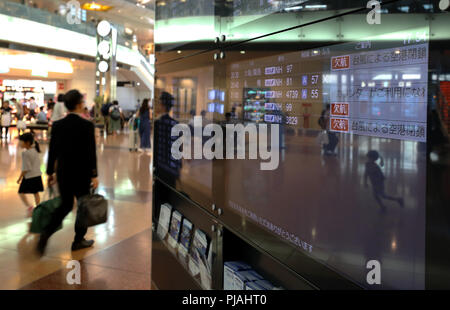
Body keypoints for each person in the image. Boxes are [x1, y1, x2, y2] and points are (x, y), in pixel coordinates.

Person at [36, 89, 98, 256]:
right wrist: (94, 174)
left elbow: (53, 150)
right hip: (82, 173)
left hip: (64, 172)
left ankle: (46, 233)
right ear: (79, 104)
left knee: (65, 205)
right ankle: (78, 241)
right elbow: (91, 152)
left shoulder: (58, 125)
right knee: (83, 207)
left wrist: (49, 173)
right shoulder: (87, 125)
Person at [17, 133, 44, 217]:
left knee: (21, 192)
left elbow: (26, 168)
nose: (19, 143)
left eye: (21, 142)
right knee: (36, 193)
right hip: (37, 175)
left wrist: (20, 177)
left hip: (29, 176)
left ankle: (30, 207)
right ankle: (38, 209)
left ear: (27, 143)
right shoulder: (35, 150)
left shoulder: (25, 153)